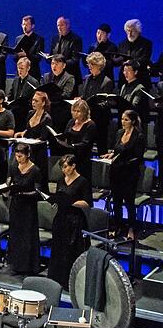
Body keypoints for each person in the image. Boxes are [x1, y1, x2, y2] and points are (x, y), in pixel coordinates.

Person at [48, 155, 92, 289]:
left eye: (66, 167)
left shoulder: (83, 182)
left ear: (73, 166)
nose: (63, 170)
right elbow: (58, 196)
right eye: (62, 167)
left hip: (75, 221)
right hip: (61, 218)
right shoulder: (61, 180)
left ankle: (71, 282)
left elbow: (87, 203)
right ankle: (57, 280)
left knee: (71, 251)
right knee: (58, 249)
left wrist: (72, 202)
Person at [101, 110, 145, 240]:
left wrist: (122, 162)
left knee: (129, 203)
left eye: (126, 120)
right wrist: (110, 155)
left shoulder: (139, 136)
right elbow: (116, 151)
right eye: (122, 119)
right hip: (116, 172)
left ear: (133, 121)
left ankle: (131, 228)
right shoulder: (119, 133)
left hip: (129, 174)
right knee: (117, 202)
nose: (123, 122)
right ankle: (117, 226)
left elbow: (138, 157)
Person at [6, 143, 43, 274]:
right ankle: (16, 265)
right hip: (16, 205)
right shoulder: (13, 167)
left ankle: (28, 266)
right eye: (16, 156)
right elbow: (8, 181)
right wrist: (6, 189)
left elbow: (38, 191)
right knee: (15, 234)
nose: (18, 159)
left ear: (28, 155)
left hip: (28, 207)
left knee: (27, 235)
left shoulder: (35, 170)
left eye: (20, 156)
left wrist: (23, 193)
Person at [14, 91, 53, 191]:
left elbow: (43, 138)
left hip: (39, 153)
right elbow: (28, 130)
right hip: (28, 151)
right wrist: (21, 133)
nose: (33, 102)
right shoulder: (30, 113)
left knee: (38, 182)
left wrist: (29, 141)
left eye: (36, 101)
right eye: (33, 100)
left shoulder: (47, 118)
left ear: (43, 103)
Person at [79, 52, 114, 154]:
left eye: (92, 64)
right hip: (88, 118)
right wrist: (79, 99)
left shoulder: (107, 81)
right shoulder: (87, 78)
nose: (89, 66)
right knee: (85, 147)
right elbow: (84, 95)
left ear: (99, 66)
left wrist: (94, 105)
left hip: (100, 120)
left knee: (101, 148)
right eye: (89, 64)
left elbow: (109, 102)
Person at [58, 99, 97, 180]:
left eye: (78, 111)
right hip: (69, 157)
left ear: (84, 112)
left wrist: (72, 145)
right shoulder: (71, 122)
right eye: (74, 111)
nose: (75, 113)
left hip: (82, 158)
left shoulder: (90, 125)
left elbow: (86, 143)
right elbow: (66, 135)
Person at [116, 19, 153, 88]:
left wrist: (131, 62)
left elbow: (145, 60)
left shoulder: (146, 44)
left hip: (141, 79)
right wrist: (116, 60)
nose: (129, 34)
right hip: (124, 81)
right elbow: (118, 61)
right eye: (128, 31)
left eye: (132, 31)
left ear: (138, 31)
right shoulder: (122, 44)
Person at [7, 57, 40, 132]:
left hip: (26, 112)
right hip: (15, 111)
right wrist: (7, 99)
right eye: (18, 68)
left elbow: (35, 99)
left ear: (28, 68)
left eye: (22, 68)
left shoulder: (33, 82)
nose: (20, 70)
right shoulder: (16, 80)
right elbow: (11, 94)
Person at [49, 16, 83, 84]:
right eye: (58, 25)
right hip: (56, 76)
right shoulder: (55, 39)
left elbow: (75, 59)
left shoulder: (76, 39)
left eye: (62, 25)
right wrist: (48, 57)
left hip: (71, 76)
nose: (59, 28)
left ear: (68, 25)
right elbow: (52, 54)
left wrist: (61, 64)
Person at [14, 15, 45, 80]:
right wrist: (17, 55)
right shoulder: (18, 38)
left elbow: (38, 57)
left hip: (33, 73)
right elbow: (15, 57)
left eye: (27, 25)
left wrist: (26, 55)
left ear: (32, 26)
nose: (24, 27)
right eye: (23, 24)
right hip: (19, 73)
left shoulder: (39, 39)